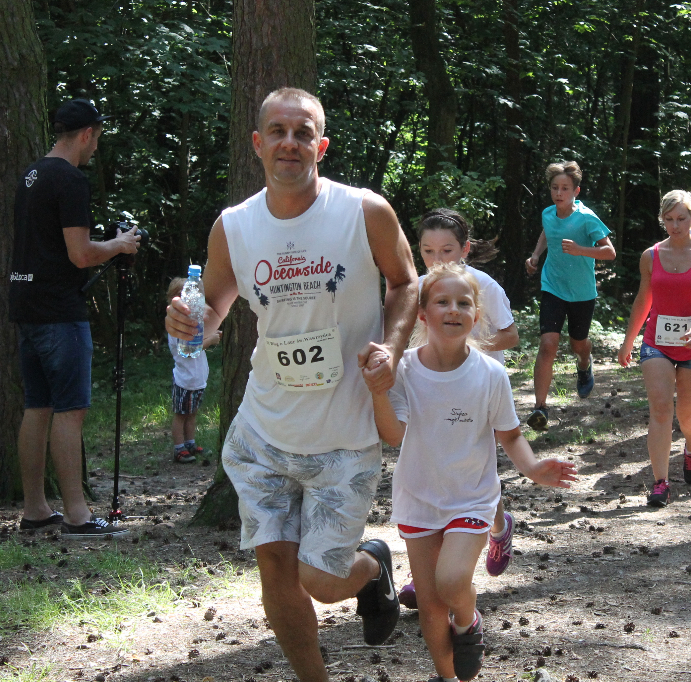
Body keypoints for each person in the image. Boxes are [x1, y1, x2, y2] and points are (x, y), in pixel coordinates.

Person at [165, 88, 418, 682]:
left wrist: (391, 349)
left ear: (320, 145)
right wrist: (186, 321)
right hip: (264, 432)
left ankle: (372, 566)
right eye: (277, 131)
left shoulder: (364, 212)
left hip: (344, 434)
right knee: (275, 572)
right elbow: (213, 313)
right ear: (258, 143)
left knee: (322, 580)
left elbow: (406, 283)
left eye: (302, 132)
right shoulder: (235, 226)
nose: (289, 142)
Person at [367, 262, 576, 682]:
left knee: (452, 581)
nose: (453, 309)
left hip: (472, 498)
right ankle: (449, 677)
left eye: (464, 303)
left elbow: (511, 435)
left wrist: (534, 467)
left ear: (476, 317)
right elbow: (393, 435)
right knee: (429, 604)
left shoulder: (491, 374)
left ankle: (468, 619)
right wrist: (378, 394)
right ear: (423, 314)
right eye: (442, 301)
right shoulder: (403, 369)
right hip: (419, 497)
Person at [11, 99, 142, 539]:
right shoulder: (69, 179)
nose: (95, 149)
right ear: (87, 133)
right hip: (59, 310)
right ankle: (77, 515)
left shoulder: (31, 175)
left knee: (38, 406)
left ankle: (35, 508)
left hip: (26, 304)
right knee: (70, 410)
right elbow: (81, 254)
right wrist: (120, 244)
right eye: (97, 139)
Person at [404, 209, 519, 605]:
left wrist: (466, 348)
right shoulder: (415, 288)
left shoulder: (484, 284)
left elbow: (511, 335)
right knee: (432, 470)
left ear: (466, 249)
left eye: (448, 251)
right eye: (429, 251)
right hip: (430, 393)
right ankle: (426, 574)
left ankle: (498, 526)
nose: (438, 260)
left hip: (477, 391)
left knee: (472, 472)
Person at [618, 190, 691, 507]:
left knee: (689, 418)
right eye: (669, 219)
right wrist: (629, 340)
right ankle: (660, 482)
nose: (676, 226)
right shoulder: (651, 256)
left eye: (682, 218)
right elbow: (643, 300)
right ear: (663, 221)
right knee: (661, 410)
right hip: (656, 344)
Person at [524, 161, 616, 431]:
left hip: (581, 293)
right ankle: (540, 408)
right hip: (553, 286)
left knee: (578, 345)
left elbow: (609, 252)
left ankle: (584, 364)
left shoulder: (586, 218)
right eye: (555, 187)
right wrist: (536, 255)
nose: (559, 193)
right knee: (548, 345)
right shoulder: (547, 214)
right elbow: (547, 232)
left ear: (576, 190)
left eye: (565, 188)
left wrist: (580, 250)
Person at [165, 277, 221, 463]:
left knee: (192, 414)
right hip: (185, 380)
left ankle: (190, 442)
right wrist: (211, 340)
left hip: (197, 380)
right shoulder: (177, 326)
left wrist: (210, 333)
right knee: (181, 415)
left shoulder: (193, 323)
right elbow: (189, 350)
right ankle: (179, 448)